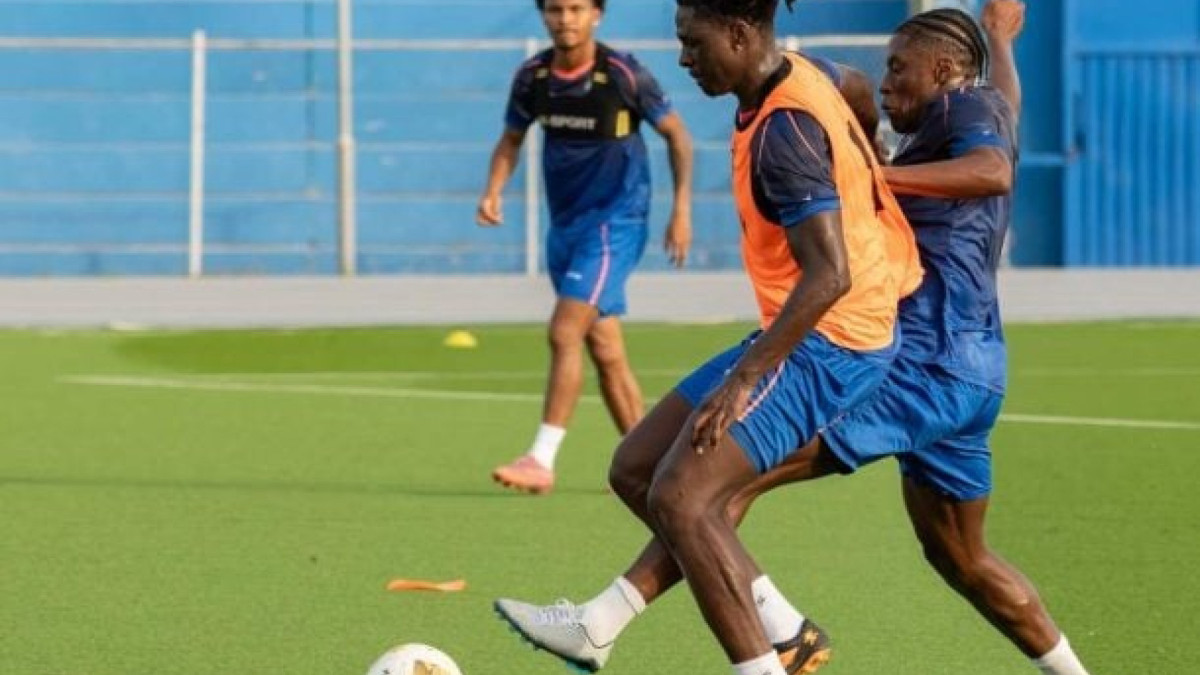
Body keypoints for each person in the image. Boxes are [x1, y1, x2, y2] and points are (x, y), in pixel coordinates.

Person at [496, 2, 1095, 675]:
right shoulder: (969, 106)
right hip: (969, 369)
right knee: (963, 557)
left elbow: (993, 168)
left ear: (948, 72)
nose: (886, 80)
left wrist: (874, 175)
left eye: (901, 68)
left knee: (704, 489)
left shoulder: (955, 115)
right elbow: (965, 103)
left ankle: (642, 623)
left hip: (915, 362)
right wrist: (999, 41)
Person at [477, 0, 695, 495]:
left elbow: (678, 137)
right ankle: (656, 468)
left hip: (615, 224)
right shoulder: (533, 78)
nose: (565, 19)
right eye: (555, 9)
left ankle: (541, 457)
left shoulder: (622, 73)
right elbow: (511, 139)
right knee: (605, 349)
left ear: (597, 14)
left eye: (576, 8)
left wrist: (680, 210)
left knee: (564, 330)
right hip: (568, 229)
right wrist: (493, 189)